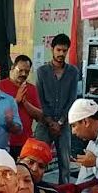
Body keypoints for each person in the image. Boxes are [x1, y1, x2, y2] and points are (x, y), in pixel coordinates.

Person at [35, 34, 80, 184]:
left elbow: (72, 100)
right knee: (36, 159)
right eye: (59, 50)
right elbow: (39, 99)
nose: (61, 54)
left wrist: (60, 122)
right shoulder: (42, 72)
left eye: (64, 51)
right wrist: (49, 121)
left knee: (65, 164)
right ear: (52, 49)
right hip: (44, 123)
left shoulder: (73, 72)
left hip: (64, 123)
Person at [0, 55, 43, 159]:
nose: (23, 74)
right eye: (20, 70)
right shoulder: (1, 86)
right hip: (4, 142)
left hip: (25, 142)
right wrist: (16, 101)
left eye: (27, 71)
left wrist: (25, 102)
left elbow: (39, 116)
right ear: (12, 68)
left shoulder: (31, 89)